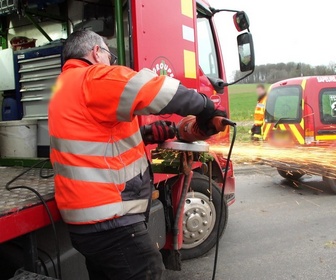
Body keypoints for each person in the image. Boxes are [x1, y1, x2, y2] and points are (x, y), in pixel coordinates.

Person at [48, 30, 226, 280]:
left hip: (86, 225)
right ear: (96, 52)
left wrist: (145, 133)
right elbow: (155, 89)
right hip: (111, 222)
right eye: (110, 56)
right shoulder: (92, 77)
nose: (112, 62)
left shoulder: (63, 87)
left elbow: (92, 139)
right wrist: (206, 107)